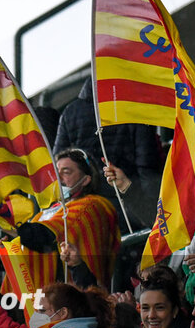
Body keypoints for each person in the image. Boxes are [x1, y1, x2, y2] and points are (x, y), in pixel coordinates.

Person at [52, 78, 164, 234]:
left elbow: (58, 166)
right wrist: (153, 214)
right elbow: (147, 167)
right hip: (129, 209)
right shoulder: (133, 107)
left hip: (87, 213)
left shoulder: (70, 112)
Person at [13, 148, 121, 290]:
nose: (58, 178)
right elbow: (28, 245)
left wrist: (6, 217)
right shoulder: (43, 213)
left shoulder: (91, 204)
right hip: (36, 298)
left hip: (77, 296)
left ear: (86, 179)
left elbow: (44, 237)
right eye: (56, 172)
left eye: (66, 172)